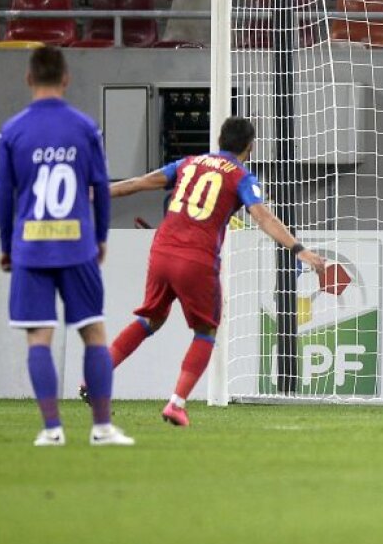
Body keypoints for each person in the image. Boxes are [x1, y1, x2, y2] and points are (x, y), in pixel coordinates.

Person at [92, 116, 327, 426]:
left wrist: (95, 192)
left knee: (151, 318)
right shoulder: (241, 176)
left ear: (219, 140)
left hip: (161, 251)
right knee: (206, 331)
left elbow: (137, 184)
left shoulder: (188, 163)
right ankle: (176, 404)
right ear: (250, 147)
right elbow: (264, 218)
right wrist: (300, 250)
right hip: (196, 259)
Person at [0, 46, 133, 447]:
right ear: (66, 79)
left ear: (28, 78)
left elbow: (5, 195)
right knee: (93, 332)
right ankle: (102, 428)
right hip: (76, 244)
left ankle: (52, 430)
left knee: (39, 338)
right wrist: (101, 237)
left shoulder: (12, 131)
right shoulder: (84, 128)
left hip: (31, 247)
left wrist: (7, 245)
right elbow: (100, 190)